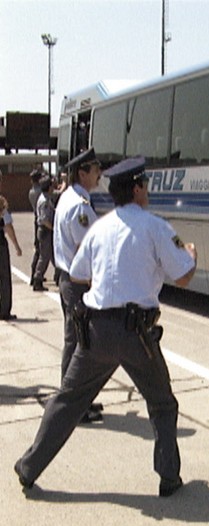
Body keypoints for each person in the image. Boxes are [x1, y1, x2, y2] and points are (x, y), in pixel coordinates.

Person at [14, 156, 198, 497]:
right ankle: (168, 478)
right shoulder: (156, 227)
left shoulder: (99, 227)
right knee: (162, 404)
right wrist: (192, 253)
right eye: (146, 185)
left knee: (68, 401)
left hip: (95, 331)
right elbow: (184, 275)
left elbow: (79, 272)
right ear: (139, 188)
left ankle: (28, 466)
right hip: (136, 334)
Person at [53, 147, 103, 422]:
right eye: (95, 170)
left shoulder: (68, 198)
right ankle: (72, 406)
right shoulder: (79, 206)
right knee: (79, 344)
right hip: (78, 284)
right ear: (82, 173)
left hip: (69, 281)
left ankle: (77, 400)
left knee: (77, 342)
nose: (99, 175)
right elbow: (88, 248)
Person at [0, 173, 23, 321]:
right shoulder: (0, 202)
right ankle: (4, 311)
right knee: (4, 277)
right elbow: (8, 226)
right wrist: (16, 246)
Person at [32, 176, 56, 291]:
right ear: (48, 187)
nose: (53, 187)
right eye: (52, 185)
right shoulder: (45, 201)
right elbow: (44, 219)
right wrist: (54, 229)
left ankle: (59, 276)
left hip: (46, 231)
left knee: (51, 255)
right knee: (44, 257)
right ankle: (37, 279)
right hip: (45, 231)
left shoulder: (47, 197)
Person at [28, 169, 43, 286]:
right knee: (40, 250)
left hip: (36, 219)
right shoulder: (39, 191)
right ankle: (35, 275)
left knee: (38, 248)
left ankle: (34, 273)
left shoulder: (31, 191)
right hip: (41, 220)